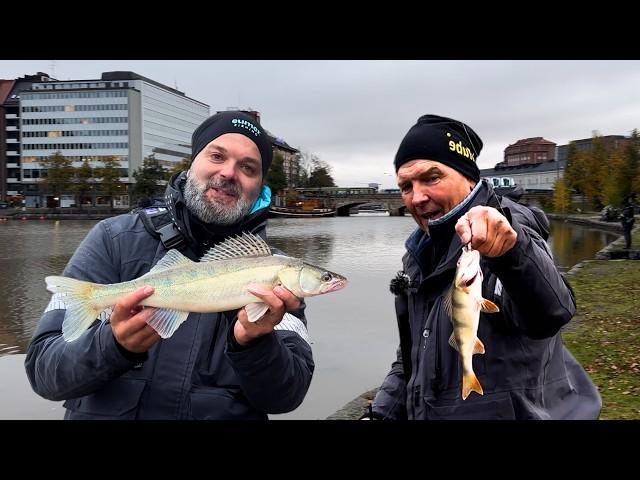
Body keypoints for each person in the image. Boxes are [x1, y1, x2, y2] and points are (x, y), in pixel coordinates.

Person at [24, 111, 314, 419]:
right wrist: (114, 345)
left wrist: (254, 344)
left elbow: (287, 397)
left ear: (259, 186)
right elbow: (44, 374)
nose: (229, 173)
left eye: (248, 167)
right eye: (217, 156)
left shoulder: (278, 272)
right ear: (191, 165)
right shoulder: (112, 239)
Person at [364, 114, 601, 420]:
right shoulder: (420, 255)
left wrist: (511, 253)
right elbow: (413, 357)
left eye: (431, 177)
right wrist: (379, 414)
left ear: (470, 179)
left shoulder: (506, 234)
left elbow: (549, 315)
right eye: (406, 185)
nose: (417, 197)